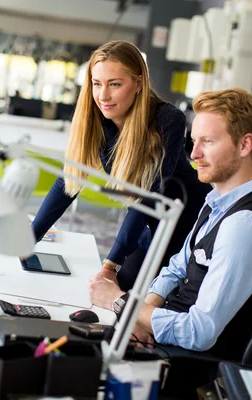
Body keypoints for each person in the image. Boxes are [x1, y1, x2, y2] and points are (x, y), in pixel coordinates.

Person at [89, 88, 252, 390]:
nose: (193, 154)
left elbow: (199, 332)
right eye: (194, 142)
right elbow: (177, 268)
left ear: (245, 144)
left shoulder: (245, 227)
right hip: (162, 343)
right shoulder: (216, 202)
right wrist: (141, 317)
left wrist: (120, 303)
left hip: (182, 371)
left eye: (207, 142)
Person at [30, 41, 211, 291]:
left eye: (115, 84)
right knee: (120, 294)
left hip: (189, 227)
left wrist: (111, 264)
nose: (103, 95)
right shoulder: (98, 120)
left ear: (138, 83)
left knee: (133, 298)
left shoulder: (168, 120)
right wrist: (30, 237)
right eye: (97, 84)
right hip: (149, 226)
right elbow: (68, 180)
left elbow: (147, 196)